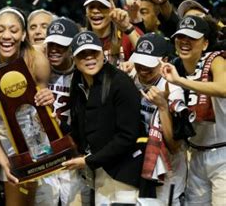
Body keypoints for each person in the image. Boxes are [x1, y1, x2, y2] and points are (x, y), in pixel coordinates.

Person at [0, 6, 55, 206]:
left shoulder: (38, 61)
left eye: (14, 30)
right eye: (0, 30)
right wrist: (4, 161)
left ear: (24, 34)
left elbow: (39, 115)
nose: (6, 36)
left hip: (26, 136)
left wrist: (46, 100)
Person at [63, 31, 145, 204]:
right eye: (82, 54)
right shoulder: (78, 85)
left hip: (125, 173)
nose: (89, 58)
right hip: (100, 171)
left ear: (102, 53)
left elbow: (127, 136)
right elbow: (81, 130)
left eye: (93, 52)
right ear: (74, 60)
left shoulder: (120, 83)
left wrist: (89, 160)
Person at [159, 15, 226, 205]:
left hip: (223, 155)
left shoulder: (216, 59)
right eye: (180, 36)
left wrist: (180, 82)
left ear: (205, 43)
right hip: (194, 155)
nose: (184, 42)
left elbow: (223, 88)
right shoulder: (174, 67)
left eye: (192, 37)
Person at [128, 33, 187, 205]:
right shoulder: (132, 78)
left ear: (165, 60)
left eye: (149, 64)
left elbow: (175, 146)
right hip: (142, 163)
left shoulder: (173, 88)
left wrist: (162, 106)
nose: (142, 69)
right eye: (139, 62)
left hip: (168, 170)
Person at [35, 17, 84, 206]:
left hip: (72, 152)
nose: (54, 49)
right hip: (43, 152)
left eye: (61, 45)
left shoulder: (82, 73)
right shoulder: (36, 69)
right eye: (51, 44)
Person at [83, 0, 142, 64]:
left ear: (113, 9)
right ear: (86, 12)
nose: (95, 11)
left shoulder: (128, 34)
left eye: (102, 6)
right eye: (91, 7)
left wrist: (128, 28)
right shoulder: (80, 39)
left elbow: (149, 57)